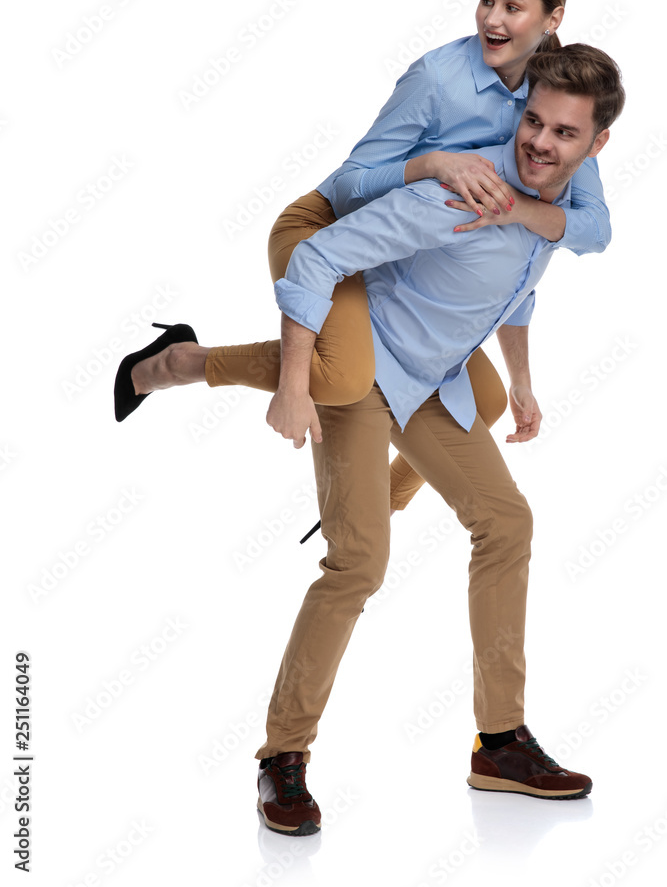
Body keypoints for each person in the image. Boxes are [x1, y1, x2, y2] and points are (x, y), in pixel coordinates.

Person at [115, 43, 625, 835]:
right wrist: (290, 386)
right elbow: (315, 259)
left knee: (506, 521)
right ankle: (282, 757)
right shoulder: (459, 195)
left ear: (594, 148)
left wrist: (521, 378)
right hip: (363, 374)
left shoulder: (560, 208)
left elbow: (540, 268)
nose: (537, 143)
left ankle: (499, 742)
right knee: (359, 563)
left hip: (432, 382)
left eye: (563, 133)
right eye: (531, 121)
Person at [116, 0, 610, 522]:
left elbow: (577, 233)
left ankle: (378, 499)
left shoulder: (556, 100)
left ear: (553, 19)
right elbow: (351, 184)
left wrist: (519, 220)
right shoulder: (438, 78)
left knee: (486, 399)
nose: (491, 20)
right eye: (485, 0)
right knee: (344, 374)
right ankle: (178, 362)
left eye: (512, 7)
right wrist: (433, 165)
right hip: (325, 225)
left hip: (399, 252)